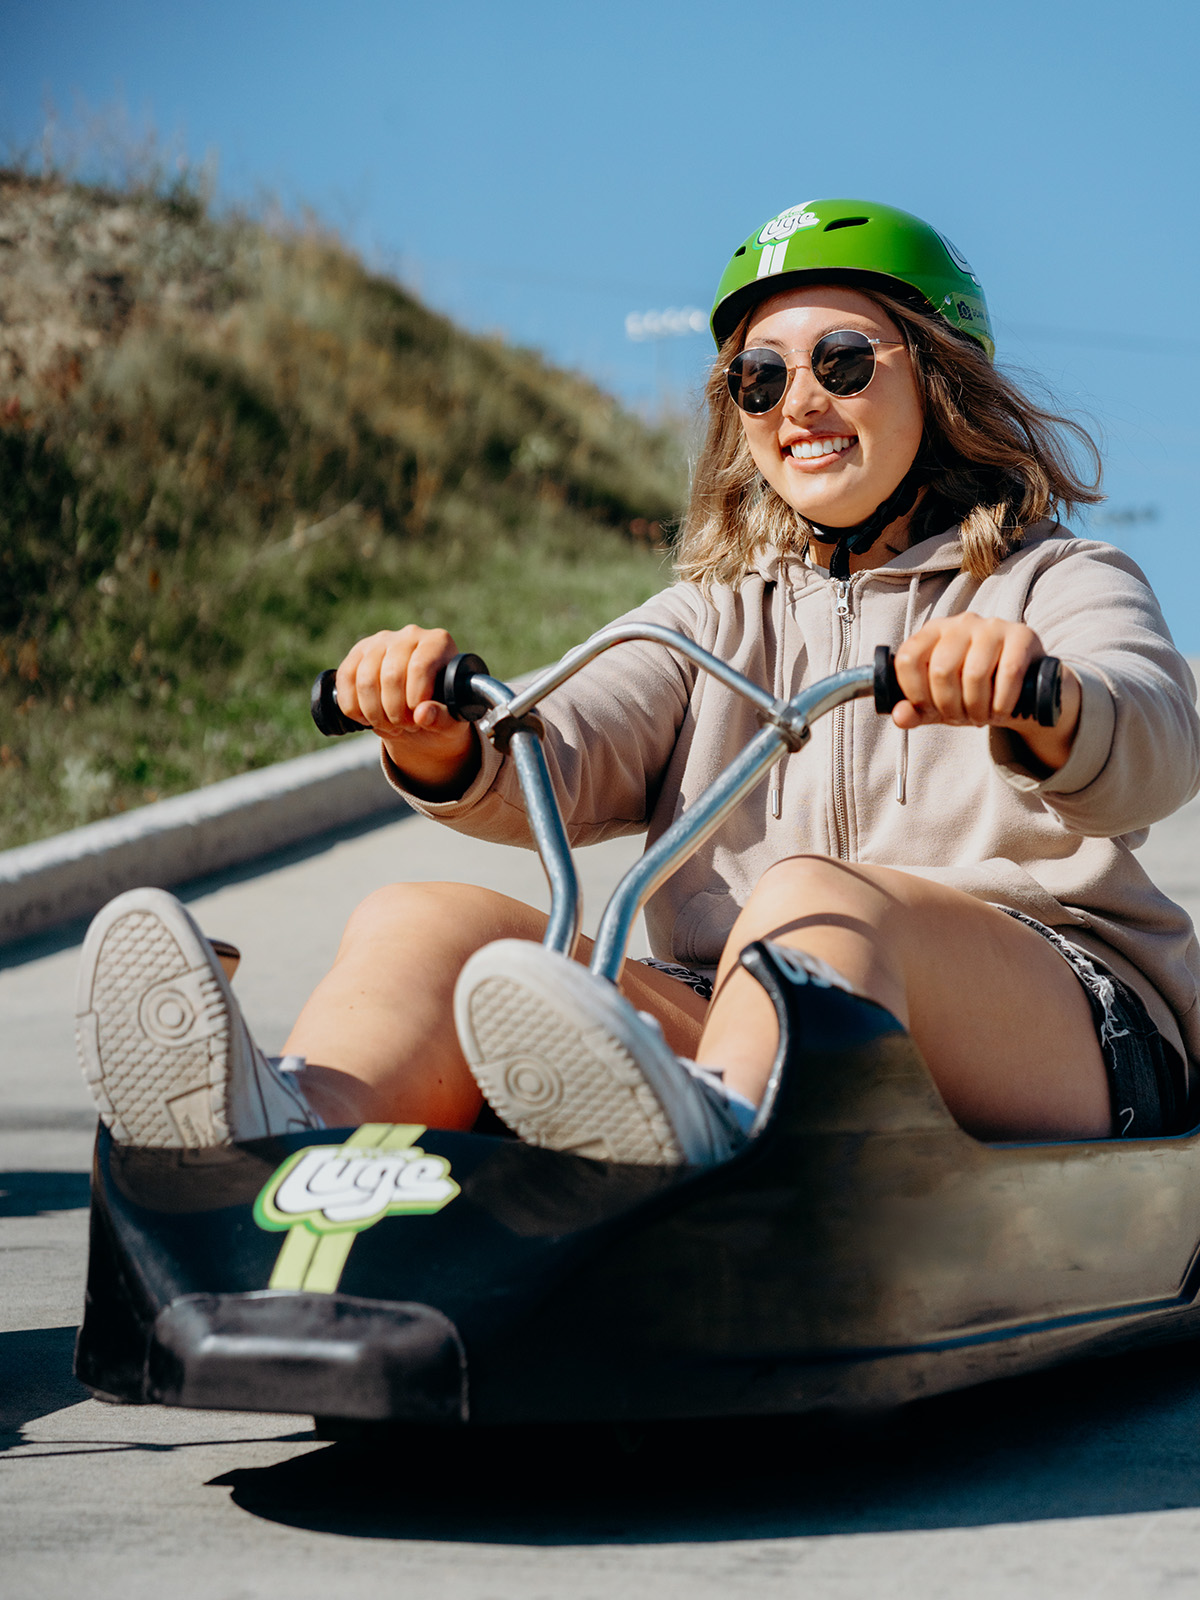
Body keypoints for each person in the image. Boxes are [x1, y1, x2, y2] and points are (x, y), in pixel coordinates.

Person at [76, 198, 1200, 1167]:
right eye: (760, 378)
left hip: (1064, 1020)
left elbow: (1154, 730)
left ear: (940, 375)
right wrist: (433, 732)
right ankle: (283, 1131)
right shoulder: (714, 613)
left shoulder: (1056, 577)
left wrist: (1039, 700)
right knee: (426, 918)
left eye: (844, 363)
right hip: (741, 1010)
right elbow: (559, 740)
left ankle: (705, 1159)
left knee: (812, 897)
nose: (799, 402)